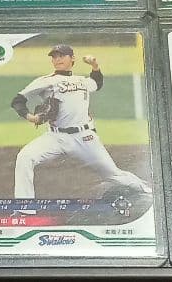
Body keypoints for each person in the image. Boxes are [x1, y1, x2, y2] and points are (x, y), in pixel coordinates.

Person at [10, 44, 150, 214]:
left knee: (112, 174)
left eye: (62, 55)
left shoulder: (83, 81)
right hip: (55, 137)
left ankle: (148, 192)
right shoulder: (45, 81)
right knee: (25, 157)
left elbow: (97, 83)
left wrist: (94, 65)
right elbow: (18, 100)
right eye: (54, 56)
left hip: (85, 137)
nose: (57, 59)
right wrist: (29, 117)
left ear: (72, 58)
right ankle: (25, 209)